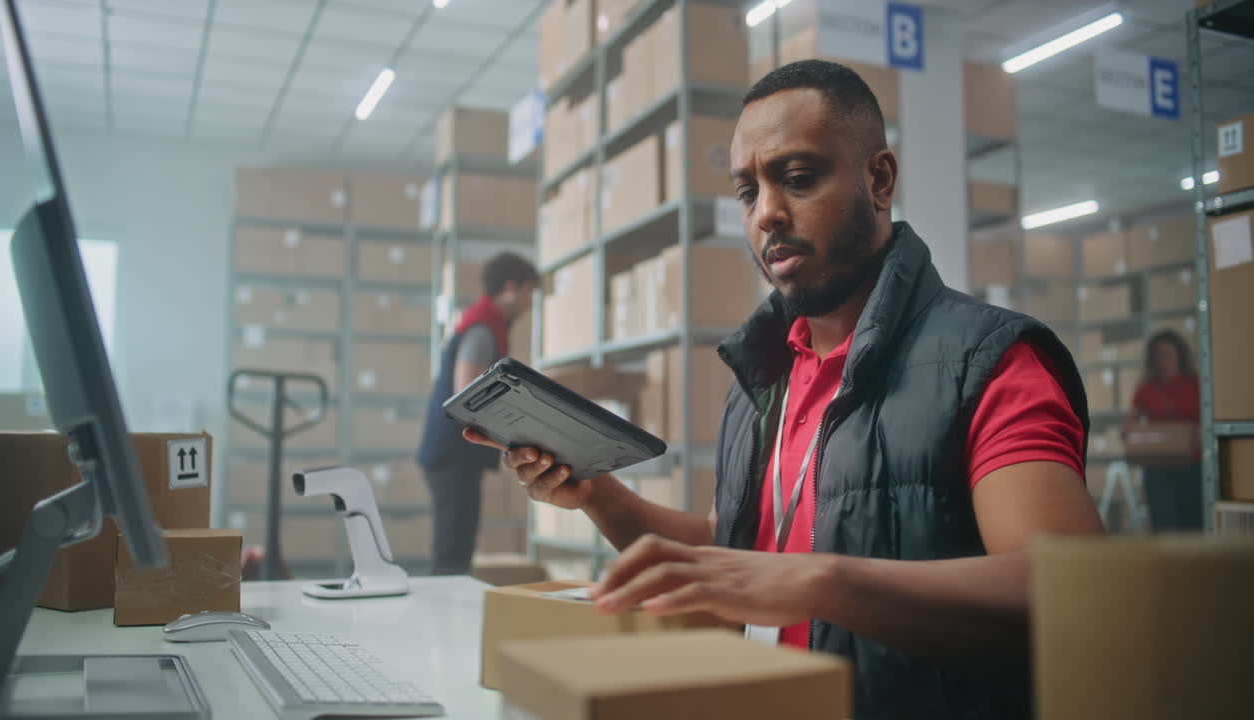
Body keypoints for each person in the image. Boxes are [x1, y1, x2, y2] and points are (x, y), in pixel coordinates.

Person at [467, 60, 1104, 719]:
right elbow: (731, 555)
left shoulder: (990, 360)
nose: (767, 213)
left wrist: (822, 579)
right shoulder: (762, 376)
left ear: (879, 180)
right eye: (747, 192)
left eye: (797, 179)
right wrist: (597, 492)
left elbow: (1073, 591)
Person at [418, 251, 538, 575]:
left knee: (457, 550)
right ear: (510, 289)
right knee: (452, 555)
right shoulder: (483, 329)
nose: (529, 304)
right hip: (452, 455)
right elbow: (466, 394)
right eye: (528, 293)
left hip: (456, 455)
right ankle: (443, 609)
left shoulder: (487, 324)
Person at [1126, 330, 1202, 530]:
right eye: (1158, 355)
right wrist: (1132, 436)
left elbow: (1207, 424)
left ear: (1179, 356)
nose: (1163, 360)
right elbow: (1129, 426)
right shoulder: (1146, 389)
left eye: (1168, 354)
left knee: (1194, 525)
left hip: (1191, 466)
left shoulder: (1195, 385)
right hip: (1157, 469)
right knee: (1164, 526)